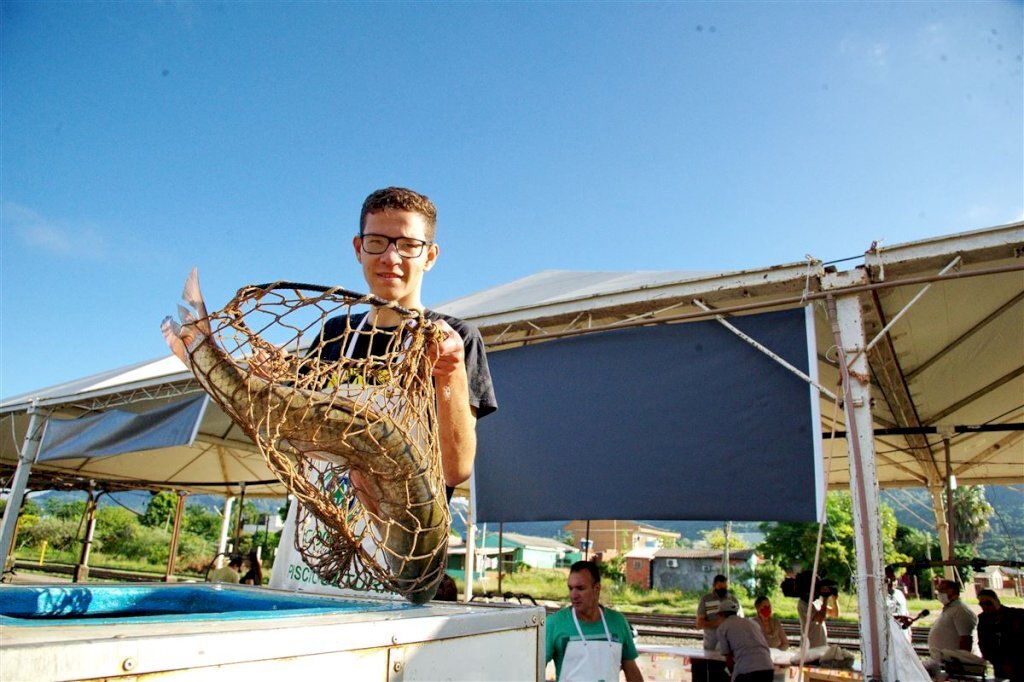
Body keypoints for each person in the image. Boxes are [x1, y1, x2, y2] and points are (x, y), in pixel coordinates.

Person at [306, 187, 498, 498]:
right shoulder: (334, 333)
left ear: (430, 256)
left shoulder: (455, 338)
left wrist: (451, 376)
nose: (390, 257)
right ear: (359, 248)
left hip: (407, 537)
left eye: (408, 245)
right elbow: (297, 440)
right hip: (322, 525)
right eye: (376, 242)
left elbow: (455, 470)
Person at [545, 560, 643, 682]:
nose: (573, 595)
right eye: (570, 588)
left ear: (596, 588)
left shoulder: (618, 622)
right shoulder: (554, 623)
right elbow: (532, 669)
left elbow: (631, 670)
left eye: (580, 588)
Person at [695, 574, 744, 682]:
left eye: (725, 587)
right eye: (720, 587)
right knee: (713, 676)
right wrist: (717, 623)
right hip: (711, 647)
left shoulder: (733, 600)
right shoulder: (706, 599)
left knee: (728, 677)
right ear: (714, 586)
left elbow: (741, 621)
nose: (723, 590)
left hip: (731, 649)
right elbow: (699, 624)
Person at [717, 597, 775, 682]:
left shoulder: (723, 628)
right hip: (768, 668)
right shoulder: (752, 623)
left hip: (747, 671)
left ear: (721, 614)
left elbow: (728, 657)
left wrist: (732, 674)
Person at [976, 588, 1024, 681]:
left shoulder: (1017, 614)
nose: (985, 606)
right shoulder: (983, 620)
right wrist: (997, 661)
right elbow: (983, 643)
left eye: (989, 603)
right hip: (999, 665)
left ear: (996, 600)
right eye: (982, 604)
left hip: (1019, 662)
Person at [926, 579, 977, 664]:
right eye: (938, 590)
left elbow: (966, 640)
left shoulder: (961, 611)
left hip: (955, 663)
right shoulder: (950, 609)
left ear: (954, 593)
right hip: (944, 662)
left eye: (942, 590)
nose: (939, 593)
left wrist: (960, 661)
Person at [796, 575, 839, 650]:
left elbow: (834, 614)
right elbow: (819, 619)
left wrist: (834, 600)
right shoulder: (803, 604)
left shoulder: (816, 602)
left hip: (821, 645)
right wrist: (825, 598)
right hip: (810, 647)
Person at [885, 566, 912, 641]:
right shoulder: (880, 596)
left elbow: (905, 611)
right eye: (889, 580)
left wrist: (909, 632)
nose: (893, 583)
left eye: (894, 579)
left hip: (903, 633)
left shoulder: (899, 594)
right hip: (891, 636)